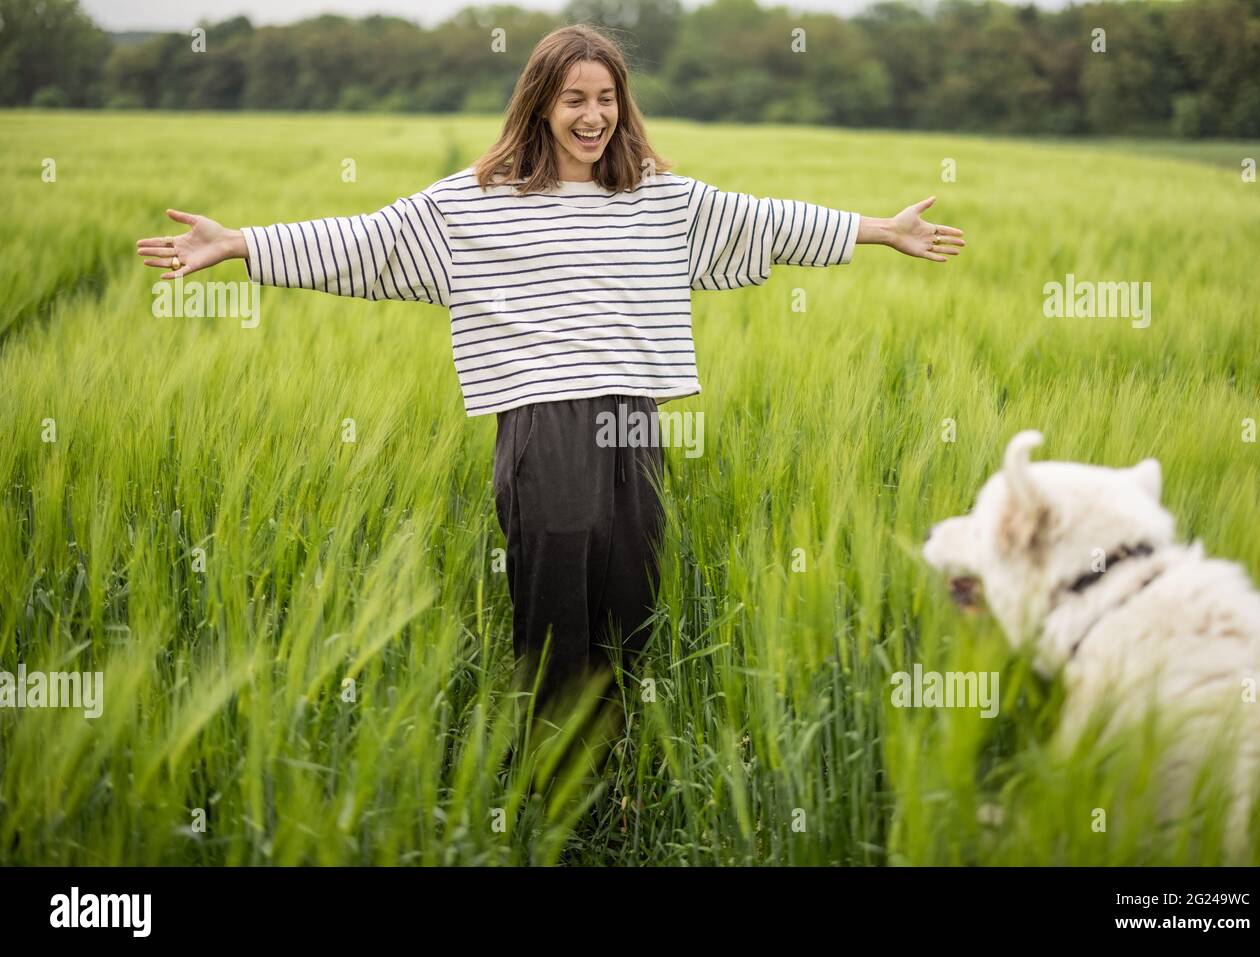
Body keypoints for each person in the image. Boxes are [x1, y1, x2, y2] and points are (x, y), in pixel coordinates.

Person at [134, 23, 965, 772]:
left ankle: (615, 765)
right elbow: (369, 239)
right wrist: (243, 244)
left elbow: (765, 222)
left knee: (631, 589)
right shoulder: (477, 200)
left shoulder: (657, 196)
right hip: (543, 420)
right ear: (541, 104)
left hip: (633, 416)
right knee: (556, 593)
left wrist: (880, 231)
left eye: (606, 99)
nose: (593, 115)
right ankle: (549, 772)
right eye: (575, 99)